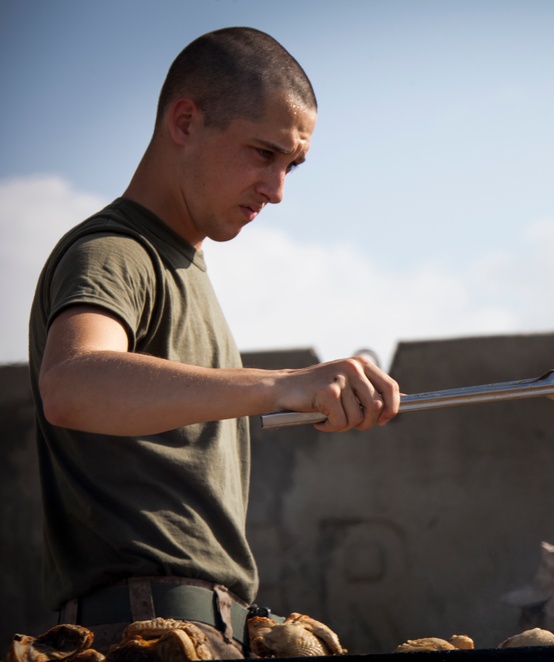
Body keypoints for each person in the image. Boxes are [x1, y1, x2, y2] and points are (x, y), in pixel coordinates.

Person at [27, 27, 399, 657]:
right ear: (185, 121)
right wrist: (282, 386)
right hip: (147, 635)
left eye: (292, 165)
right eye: (262, 153)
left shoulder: (184, 266)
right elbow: (71, 382)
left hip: (206, 628)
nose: (277, 189)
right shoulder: (117, 252)